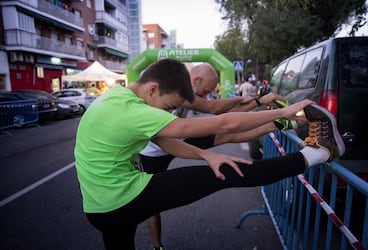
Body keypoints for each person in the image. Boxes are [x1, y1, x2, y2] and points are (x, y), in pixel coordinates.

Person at [74, 58, 345, 250]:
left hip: (99, 208)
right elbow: (222, 123)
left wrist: (206, 156)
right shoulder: (133, 111)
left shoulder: (115, 98)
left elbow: (165, 142)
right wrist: (283, 111)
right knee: (229, 172)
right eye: (168, 106)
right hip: (122, 197)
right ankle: (318, 153)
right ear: (153, 88)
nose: (167, 113)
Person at [139, 63, 291, 250]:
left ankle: (277, 124)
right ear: (195, 80)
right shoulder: (176, 88)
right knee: (152, 205)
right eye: (205, 91)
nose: (203, 96)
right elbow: (214, 109)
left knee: (227, 134)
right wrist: (257, 100)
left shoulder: (185, 90)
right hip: (152, 153)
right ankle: (157, 246)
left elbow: (225, 114)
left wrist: (256, 101)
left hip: (173, 140)